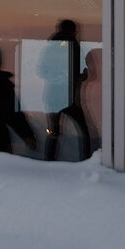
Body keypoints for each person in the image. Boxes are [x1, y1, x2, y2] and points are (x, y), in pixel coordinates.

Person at [39, 19, 92, 161]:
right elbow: (81, 71)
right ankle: (87, 161)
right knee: (84, 133)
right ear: (73, 31)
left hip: (54, 97)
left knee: (54, 132)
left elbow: (42, 70)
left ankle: (49, 162)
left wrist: (60, 78)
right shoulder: (74, 46)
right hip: (69, 97)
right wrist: (75, 78)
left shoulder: (51, 48)